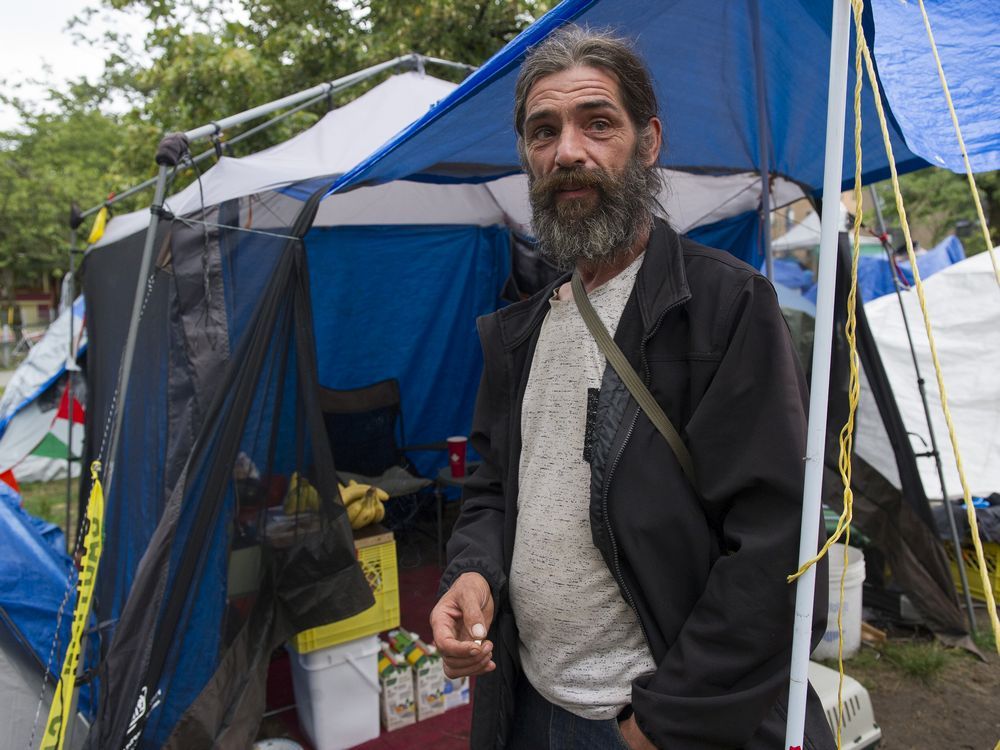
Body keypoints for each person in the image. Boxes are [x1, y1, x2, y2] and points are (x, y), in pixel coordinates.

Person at [429, 26, 833, 750]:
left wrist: (662, 722)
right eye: (542, 131)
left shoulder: (723, 308)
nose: (568, 152)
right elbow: (494, 488)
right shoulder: (522, 329)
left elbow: (781, 549)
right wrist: (473, 573)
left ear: (647, 142)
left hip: (650, 725)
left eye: (598, 123)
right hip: (525, 705)